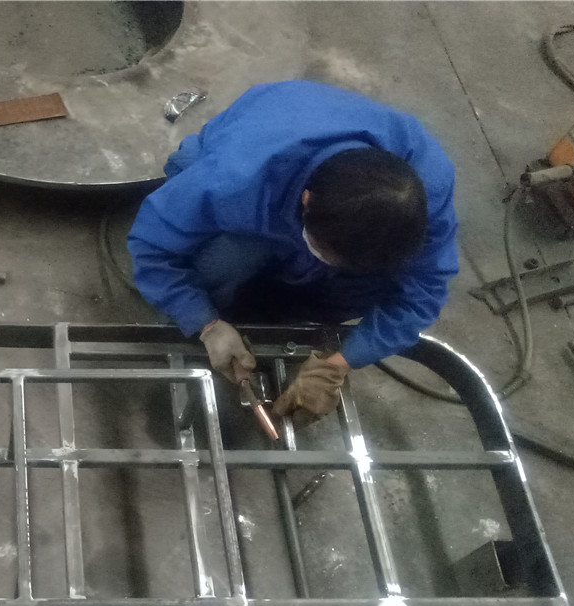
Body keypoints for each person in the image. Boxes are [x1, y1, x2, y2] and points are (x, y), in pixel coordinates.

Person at [127, 80, 459, 423]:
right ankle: (212, 307)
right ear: (307, 200)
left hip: (308, 192)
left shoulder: (423, 195)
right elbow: (152, 246)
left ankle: (280, 308)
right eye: (326, 253)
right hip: (258, 181)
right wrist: (205, 322)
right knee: (227, 259)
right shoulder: (235, 179)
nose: (329, 265)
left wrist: (339, 364)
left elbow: (422, 296)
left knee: (375, 288)